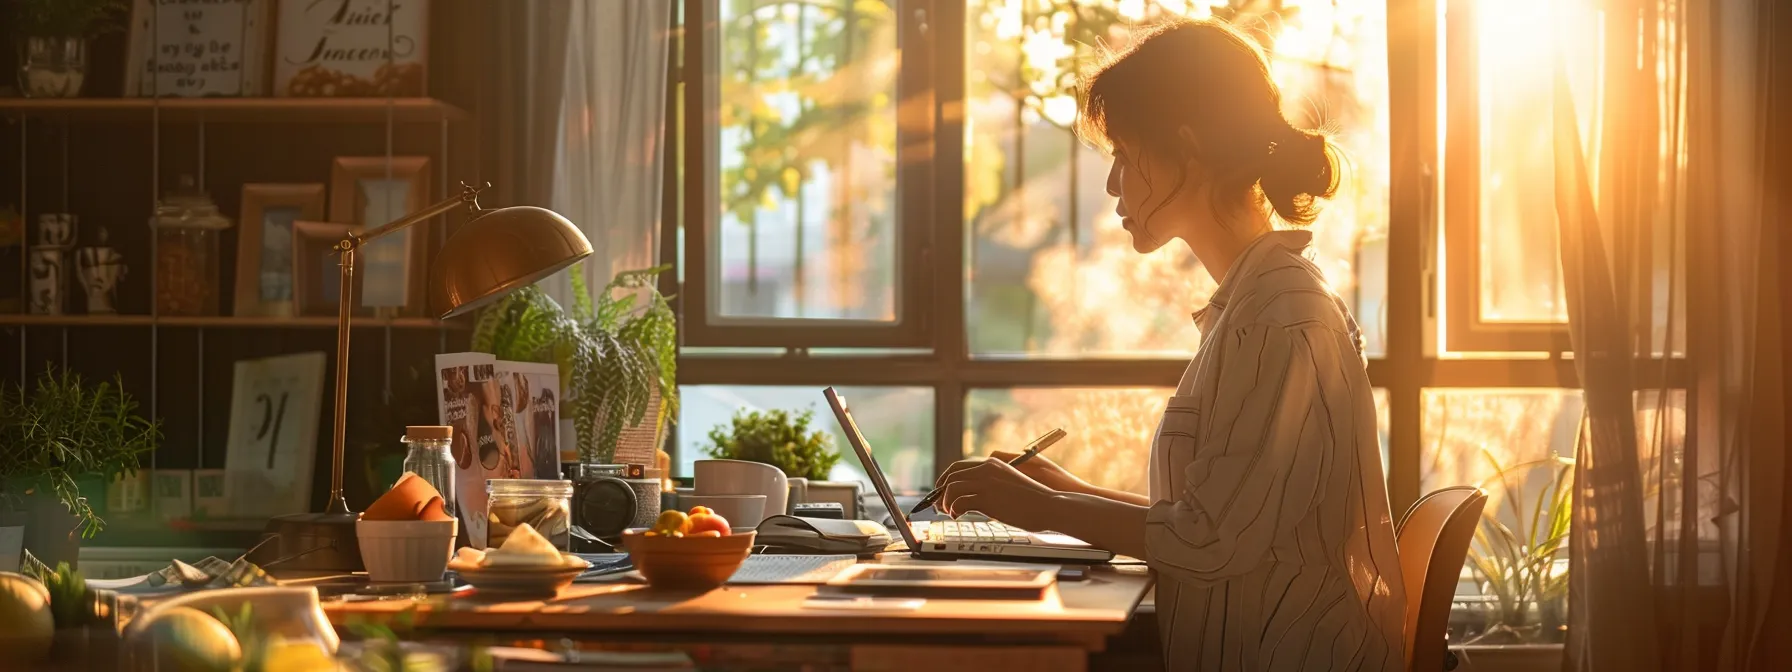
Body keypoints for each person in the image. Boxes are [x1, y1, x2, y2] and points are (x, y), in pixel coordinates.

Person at [933, 19, 1406, 671]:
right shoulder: (1252, 304)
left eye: (1125, 155)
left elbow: (1210, 541)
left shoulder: (1279, 317)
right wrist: (1069, 494)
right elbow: (1223, 518)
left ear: (1186, 148)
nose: (1112, 184)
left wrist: (1043, 507)